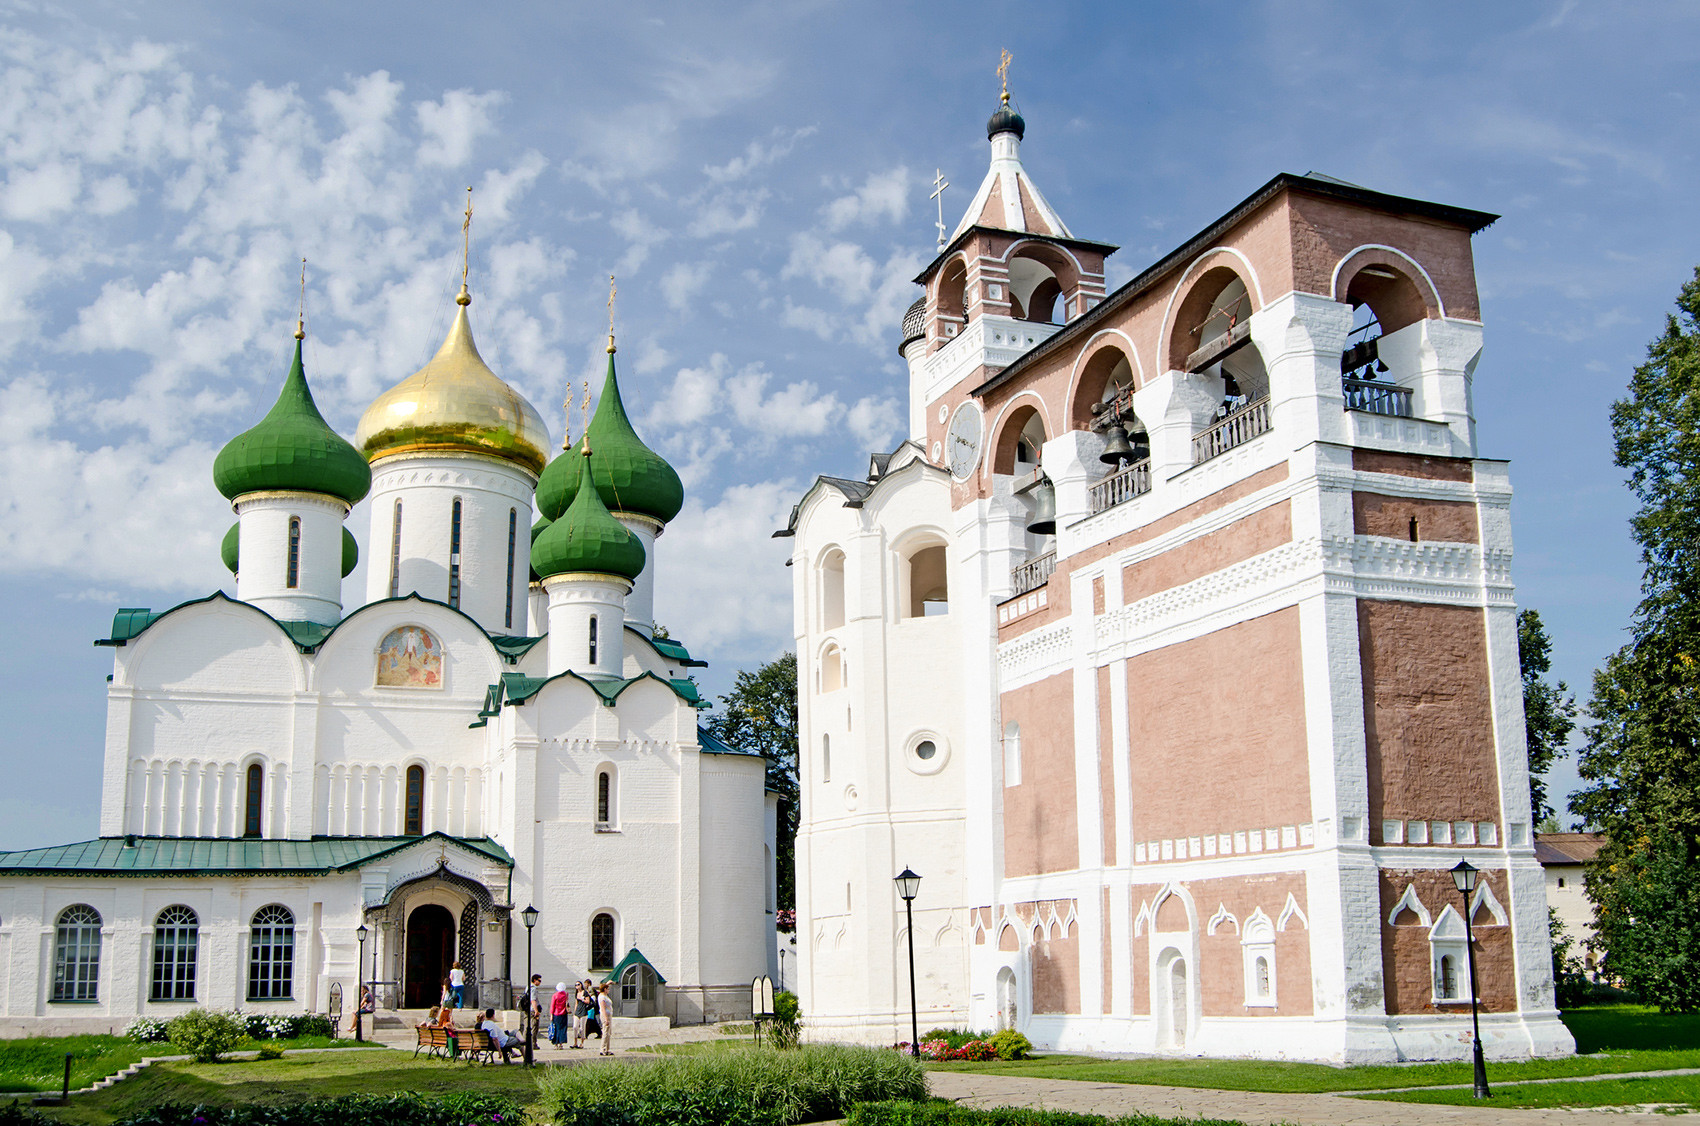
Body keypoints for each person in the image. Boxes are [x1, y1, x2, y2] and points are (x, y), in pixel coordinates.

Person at [596, 981, 615, 1056]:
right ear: (605, 989)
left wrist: (608, 983)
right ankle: (602, 1049)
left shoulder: (605, 995)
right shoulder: (602, 997)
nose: (608, 990)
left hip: (609, 1015)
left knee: (608, 1033)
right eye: (607, 989)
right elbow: (603, 1008)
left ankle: (607, 1049)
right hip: (605, 1015)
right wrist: (606, 1019)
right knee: (605, 1032)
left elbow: (603, 986)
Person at [549, 982, 570, 1048]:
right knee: (562, 1028)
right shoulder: (566, 994)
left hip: (556, 1013)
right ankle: (561, 1043)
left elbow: (552, 1005)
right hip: (564, 1013)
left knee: (556, 1029)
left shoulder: (555, 995)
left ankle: (556, 1044)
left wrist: (551, 1014)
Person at [572, 981, 592, 1048]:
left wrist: (582, 999)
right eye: (576, 985)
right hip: (577, 1011)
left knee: (582, 1028)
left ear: (581, 985)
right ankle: (575, 1043)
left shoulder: (585, 992)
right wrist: (574, 1012)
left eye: (578, 984)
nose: (577, 986)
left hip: (583, 1011)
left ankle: (582, 1043)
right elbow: (576, 1003)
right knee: (575, 1027)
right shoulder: (576, 993)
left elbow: (588, 1001)